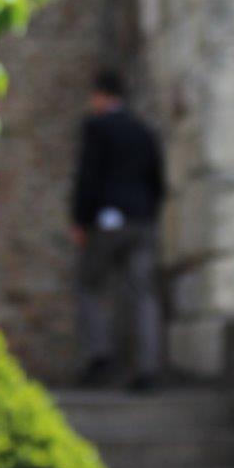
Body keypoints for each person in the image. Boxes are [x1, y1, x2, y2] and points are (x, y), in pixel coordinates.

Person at [70, 69, 166, 392]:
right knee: (143, 294)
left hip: (107, 220)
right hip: (142, 221)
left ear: (101, 95)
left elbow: (88, 176)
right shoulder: (144, 130)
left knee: (89, 285)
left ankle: (100, 356)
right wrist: (148, 214)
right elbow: (158, 181)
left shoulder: (97, 127)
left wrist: (80, 220)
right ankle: (147, 369)